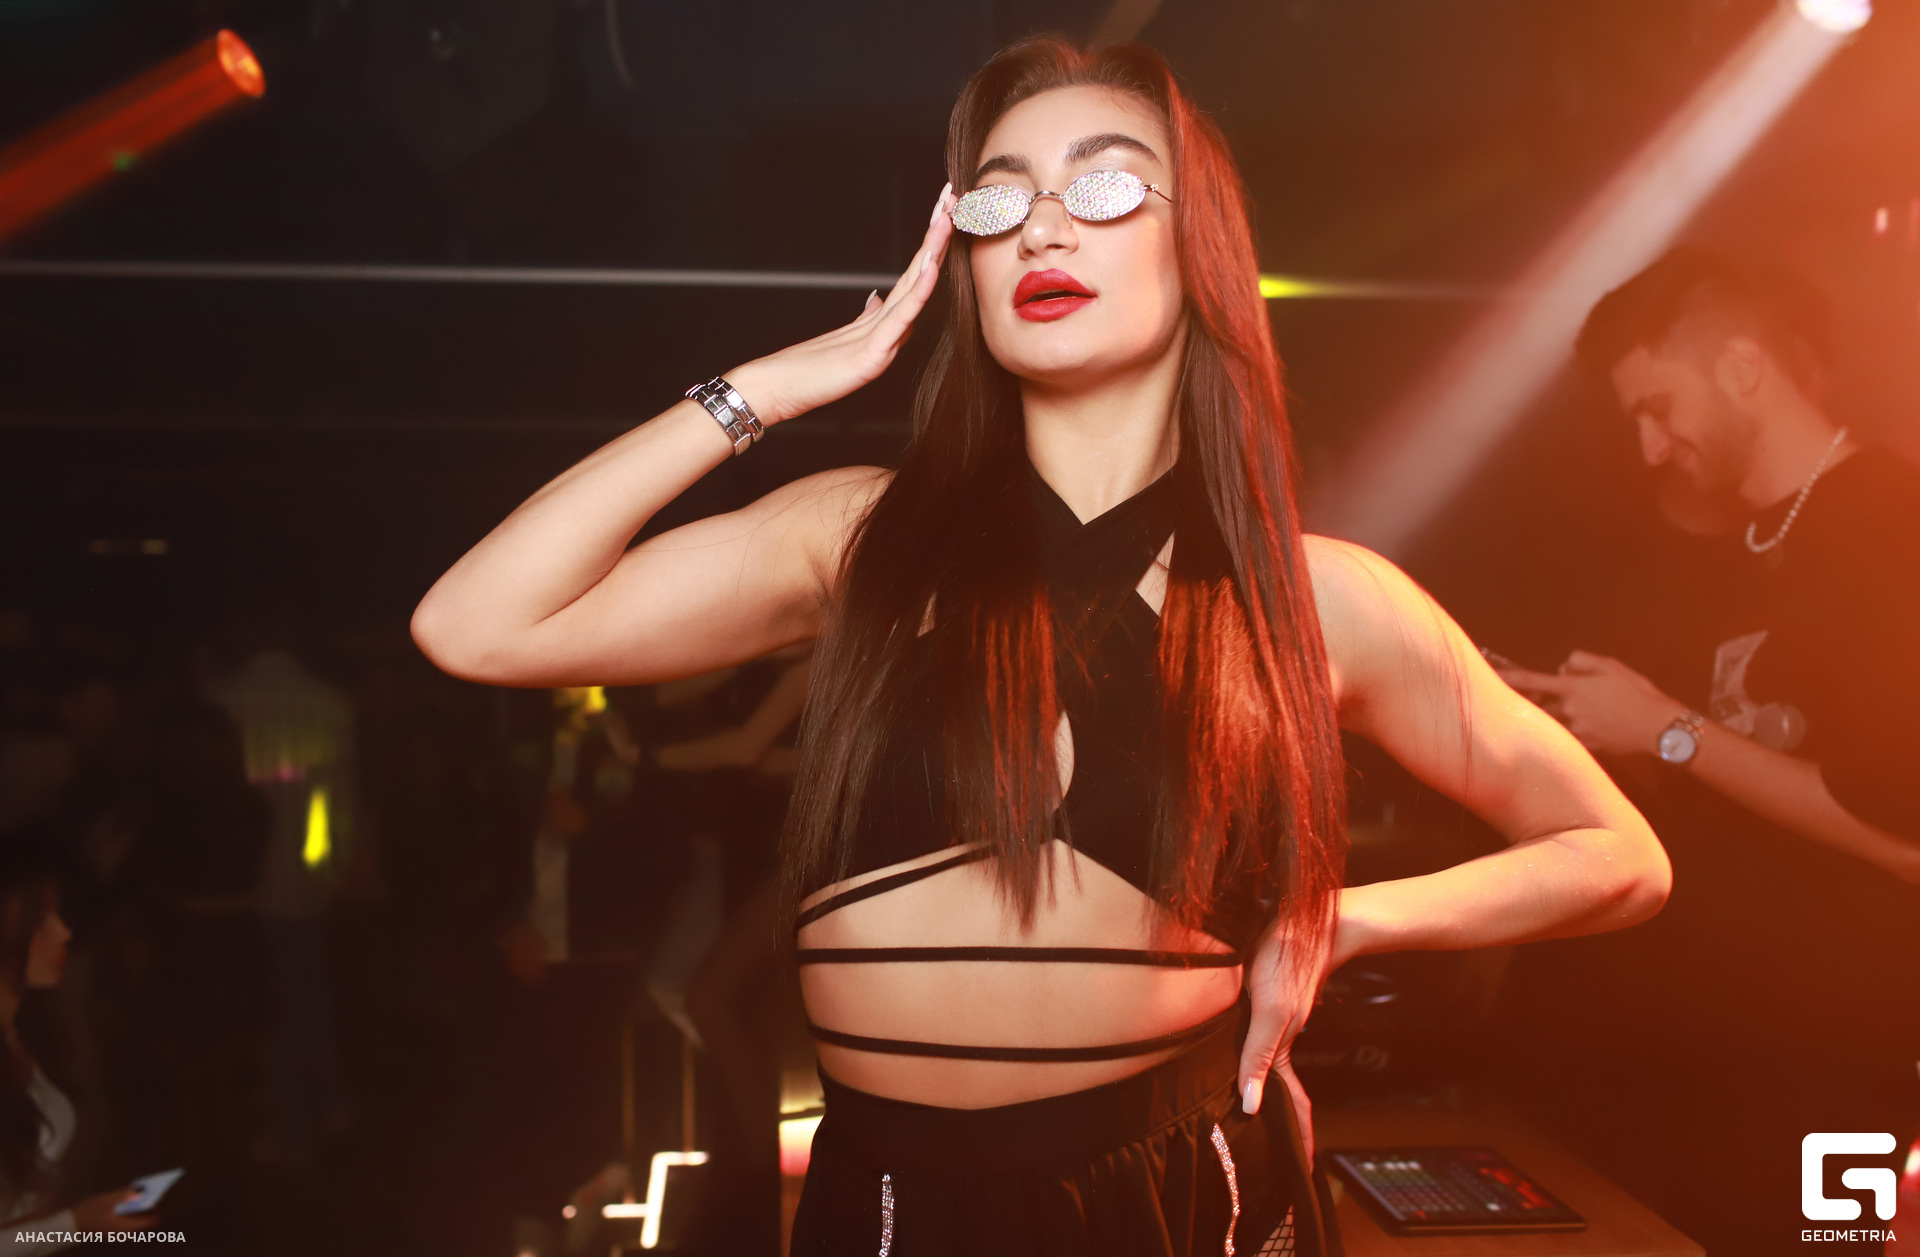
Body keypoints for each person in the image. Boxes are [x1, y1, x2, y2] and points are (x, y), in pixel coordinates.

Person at [412, 37, 1669, 1257]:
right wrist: (767, 390)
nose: (1042, 229)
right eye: (998, 198)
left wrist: (1343, 920)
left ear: (1197, 245)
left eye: (1105, 185)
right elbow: (475, 625)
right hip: (890, 1202)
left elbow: (1619, 853)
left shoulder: (1312, 597)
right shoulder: (858, 540)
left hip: (1178, 1193)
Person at [1494, 246, 1920, 1255]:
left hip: (1827, 1067)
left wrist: (1667, 730)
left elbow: (1903, 833)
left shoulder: (1895, 524)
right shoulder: (1742, 543)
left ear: (1741, 367)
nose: (1650, 446)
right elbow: (1742, 772)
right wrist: (1579, 726)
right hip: (1693, 1063)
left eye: (1658, 406)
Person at [0, 846, 156, 1252]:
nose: (64, 932)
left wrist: (75, 1218)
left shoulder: (26, 1033)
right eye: (40, 918)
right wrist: (72, 1223)